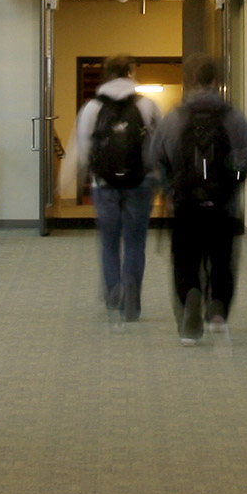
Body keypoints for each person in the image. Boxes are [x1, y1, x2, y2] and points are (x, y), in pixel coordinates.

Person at [144, 55, 247, 345]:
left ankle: (190, 301)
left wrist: (169, 188)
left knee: (185, 259)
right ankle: (218, 307)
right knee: (222, 259)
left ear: (192, 82)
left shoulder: (175, 117)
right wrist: (234, 185)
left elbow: (155, 157)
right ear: (217, 83)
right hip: (223, 204)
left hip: (185, 205)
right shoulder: (232, 116)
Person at [74, 53, 160, 320]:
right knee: (135, 241)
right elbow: (159, 144)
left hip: (104, 184)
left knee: (109, 241)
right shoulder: (147, 106)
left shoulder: (92, 108)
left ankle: (114, 293)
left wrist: (85, 176)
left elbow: (83, 146)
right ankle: (132, 294)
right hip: (141, 182)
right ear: (131, 72)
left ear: (106, 74)